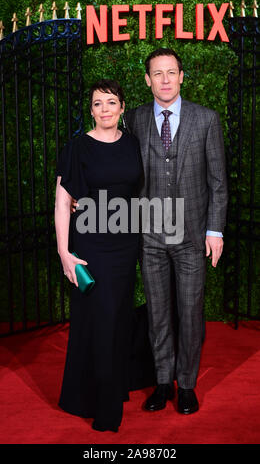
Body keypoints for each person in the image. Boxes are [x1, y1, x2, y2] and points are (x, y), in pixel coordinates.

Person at [125, 48, 228, 414]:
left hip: (191, 236)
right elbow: (121, 169)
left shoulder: (206, 119)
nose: (165, 79)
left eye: (171, 72)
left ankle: (187, 384)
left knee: (189, 311)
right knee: (158, 314)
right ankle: (163, 382)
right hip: (149, 237)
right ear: (148, 79)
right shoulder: (134, 119)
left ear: (182, 76)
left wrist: (214, 230)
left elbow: (217, 181)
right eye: (158, 73)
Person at [54, 79, 143, 432]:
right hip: (91, 245)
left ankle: (109, 388)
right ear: (90, 110)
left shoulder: (134, 144)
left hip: (126, 245)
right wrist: (64, 252)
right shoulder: (78, 147)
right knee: (100, 321)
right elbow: (62, 202)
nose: (104, 109)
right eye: (97, 104)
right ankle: (105, 409)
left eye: (110, 102)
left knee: (117, 321)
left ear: (122, 107)